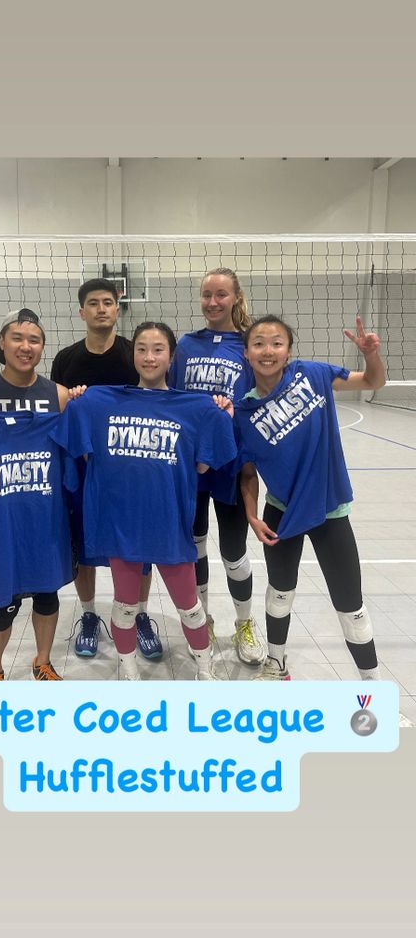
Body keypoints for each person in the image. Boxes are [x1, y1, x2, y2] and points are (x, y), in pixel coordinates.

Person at [55, 321, 237, 681]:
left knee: (190, 607)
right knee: (125, 606)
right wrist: (76, 399)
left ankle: (205, 670)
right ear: (133, 355)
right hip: (122, 526)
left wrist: (222, 416)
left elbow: (202, 465)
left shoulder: (195, 408)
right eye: (141, 349)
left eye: (158, 349)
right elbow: (87, 454)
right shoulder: (98, 402)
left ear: (172, 357)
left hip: (169, 526)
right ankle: (129, 672)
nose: (149, 357)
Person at [237, 313, 384, 681]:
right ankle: (276, 665)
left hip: (330, 510)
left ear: (288, 351)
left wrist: (370, 355)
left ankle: (372, 687)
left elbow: (372, 381)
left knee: (350, 605)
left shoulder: (313, 375)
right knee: (279, 592)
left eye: (276, 343)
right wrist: (252, 516)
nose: (267, 351)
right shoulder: (243, 413)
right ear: (246, 353)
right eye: (259, 343)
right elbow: (248, 474)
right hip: (281, 511)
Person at [0, 308, 77, 681]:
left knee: (47, 596)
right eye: (18, 338)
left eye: (34, 340)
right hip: (2, 517)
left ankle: (43, 661)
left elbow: (71, 453)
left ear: (43, 347)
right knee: (2, 605)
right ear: (2, 343)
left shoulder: (59, 396)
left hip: (46, 516)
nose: (26, 346)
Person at [51, 278, 162, 661]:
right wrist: (71, 401)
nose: (101, 309)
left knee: (138, 545)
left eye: (108, 302)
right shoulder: (66, 359)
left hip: (132, 466)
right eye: (94, 303)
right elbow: (58, 411)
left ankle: (139, 615)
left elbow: (156, 395)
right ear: (82, 312)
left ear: (117, 309)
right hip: (84, 467)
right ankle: (88, 615)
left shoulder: (135, 353)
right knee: (83, 546)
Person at [169, 267, 265, 666]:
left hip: (232, 461)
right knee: (194, 547)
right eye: (207, 294)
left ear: (236, 297)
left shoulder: (249, 345)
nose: (212, 302)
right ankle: (203, 621)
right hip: (191, 465)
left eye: (221, 294)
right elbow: (171, 399)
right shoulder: (186, 345)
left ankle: (244, 623)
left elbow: (261, 400)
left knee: (234, 551)